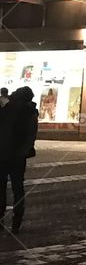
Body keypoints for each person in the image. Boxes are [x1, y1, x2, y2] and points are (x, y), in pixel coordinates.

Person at [0, 87, 38, 234]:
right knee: (5, 188)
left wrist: (21, 153)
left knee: (16, 188)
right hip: (4, 154)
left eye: (16, 93)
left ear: (22, 98)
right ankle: (2, 218)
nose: (13, 94)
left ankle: (16, 219)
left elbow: (30, 135)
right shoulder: (6, 109)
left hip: (15, 156)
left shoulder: (28, 113)